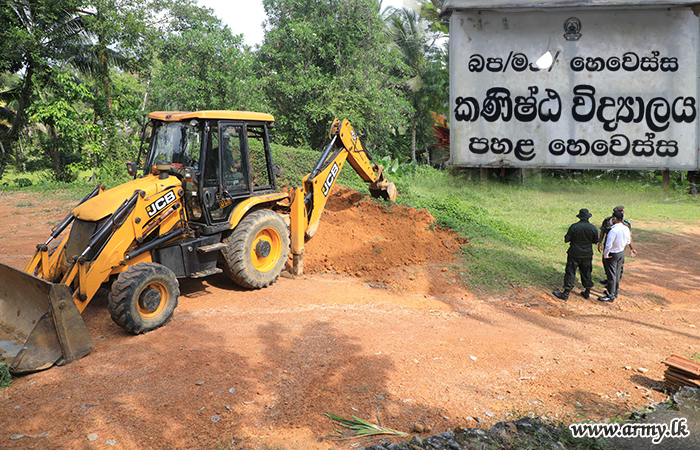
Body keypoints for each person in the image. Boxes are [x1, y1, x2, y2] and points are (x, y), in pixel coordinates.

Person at [553, 208, 599, 301]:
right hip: (587, 254)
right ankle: (587, 292)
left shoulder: (574, 227)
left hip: (574, 253)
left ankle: (566, 293)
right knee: (587, 272)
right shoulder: (593, 228)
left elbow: (566, 240)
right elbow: (595, 241)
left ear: (580, 217)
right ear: (588, 217)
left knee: (570, 272)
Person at [598, 211, 632, 303]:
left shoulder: (613, 230)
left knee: (611, 275)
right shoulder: (626, 228)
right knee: (617, 274)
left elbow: (608, 245)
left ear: (615, 219)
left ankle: (610, 295)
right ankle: (615, 292)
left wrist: (606, 255)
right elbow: (628, 241)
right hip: (621, 253)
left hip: (612, 254)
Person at [598, 206, 636, 283]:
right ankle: (610, 280)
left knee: (618, 267)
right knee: (606, 263)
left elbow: (629, 237)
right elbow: (602, 232)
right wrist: (600, 243)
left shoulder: (626, 223)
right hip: (608, 247)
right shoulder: (607, 221)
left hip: (618, 248)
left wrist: (632, 248)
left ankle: (614, 283)